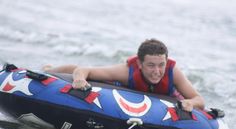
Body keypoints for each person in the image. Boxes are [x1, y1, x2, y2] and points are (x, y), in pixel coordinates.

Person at [43, 39, 204, 112]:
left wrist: (190, 103)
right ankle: (49, 69)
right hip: (128, 88)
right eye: (151, 65)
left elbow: (199, 100)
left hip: (166, 96)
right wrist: (79, 79)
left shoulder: (173, 72)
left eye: (161, 65)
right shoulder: (127, 70)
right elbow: (85, 70)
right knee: (74, 68)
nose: (157, 71)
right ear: (140, 64)